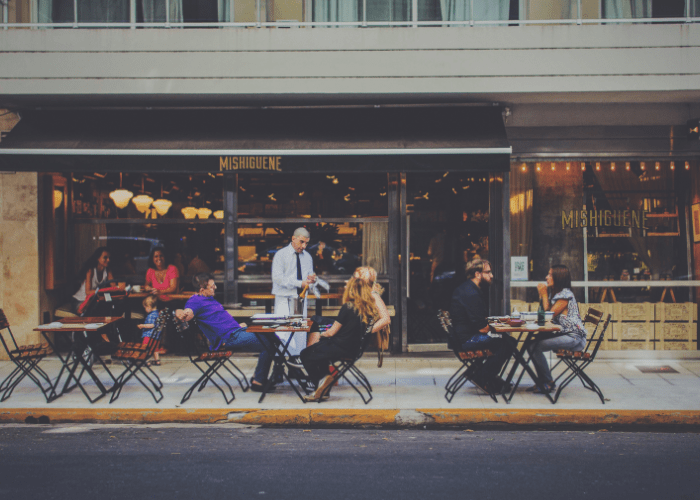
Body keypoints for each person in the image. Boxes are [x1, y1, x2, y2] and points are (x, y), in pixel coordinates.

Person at [175, 273, 273, 392]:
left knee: (271, 336)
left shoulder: (209, 298)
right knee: (268, 341)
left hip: (235, 331)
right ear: (202, 290)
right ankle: (259, 381)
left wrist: (237, 326)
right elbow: (187, 313)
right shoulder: (195, 301)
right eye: (212, 286)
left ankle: (260, 377)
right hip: (228, 338)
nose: (215, 287)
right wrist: (179, 312)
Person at [300, 277, 379, 402]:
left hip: (340, 347)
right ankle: (323, 390)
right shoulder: (369, 309)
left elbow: (331, 332)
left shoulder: (348, 307)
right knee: (320, 353)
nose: (345, 289)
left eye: (348, 287)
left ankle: (322, 380)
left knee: (305, 354)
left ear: (352, 290)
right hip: (354, 350)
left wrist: (321, 334)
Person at [449, 258, 515, 393]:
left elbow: (480, 320)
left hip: (462, 337)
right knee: (506, 343)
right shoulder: (471, 294)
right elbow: (482, 328)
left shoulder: (468, 289)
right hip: (468, 340)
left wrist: (499, 323)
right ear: (477, 274)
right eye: (488, 272)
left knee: (506, 341)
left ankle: (480, 374)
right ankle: (482, 377)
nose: (491, 276)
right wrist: (503, 325)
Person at [529, 265, 587, 394]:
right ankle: (543, 381)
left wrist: (543, 294)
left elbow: (548, 315)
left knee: (534, 346)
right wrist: (544, 295)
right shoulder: (558, 294)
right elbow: (545, 314)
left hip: (574, 337)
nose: (546, 277)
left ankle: (547, 382)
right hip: (565, 334)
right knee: (532, 344)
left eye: (550, 275)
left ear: (558, 278)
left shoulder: (565, 295)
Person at [271, 227, 316, 355]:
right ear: (293, 238)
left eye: (306, 243)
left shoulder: (307, 257)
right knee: (282, 332)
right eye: (302, 242)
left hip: (300, 300)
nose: (304, 246)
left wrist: (312, 280)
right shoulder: (281, 255)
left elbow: (309, 278)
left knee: (299, 334)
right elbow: (278, 278)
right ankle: (279, 367)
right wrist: (300, 283)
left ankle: (295, 364)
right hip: (284, 299)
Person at [71, 246, 115, 314]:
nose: (108, 260)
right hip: (80, 300)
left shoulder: (108, 270)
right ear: (98, 258)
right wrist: (104, 290)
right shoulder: (91, 270)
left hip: (92, 301)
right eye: (105, 257)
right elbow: (88, 292)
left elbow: (114, 287)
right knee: (89, 313)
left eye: (109, 258)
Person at [138, 295, 161, 366]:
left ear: (149, 307)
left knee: (145, 348)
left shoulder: (151, 315)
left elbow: (152, 325)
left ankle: (146, 360)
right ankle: (157, 360)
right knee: (155, 349)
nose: (144, 309)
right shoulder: (157, 313)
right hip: (156, 336)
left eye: (145, 307)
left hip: (149, 335)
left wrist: (142, 326)